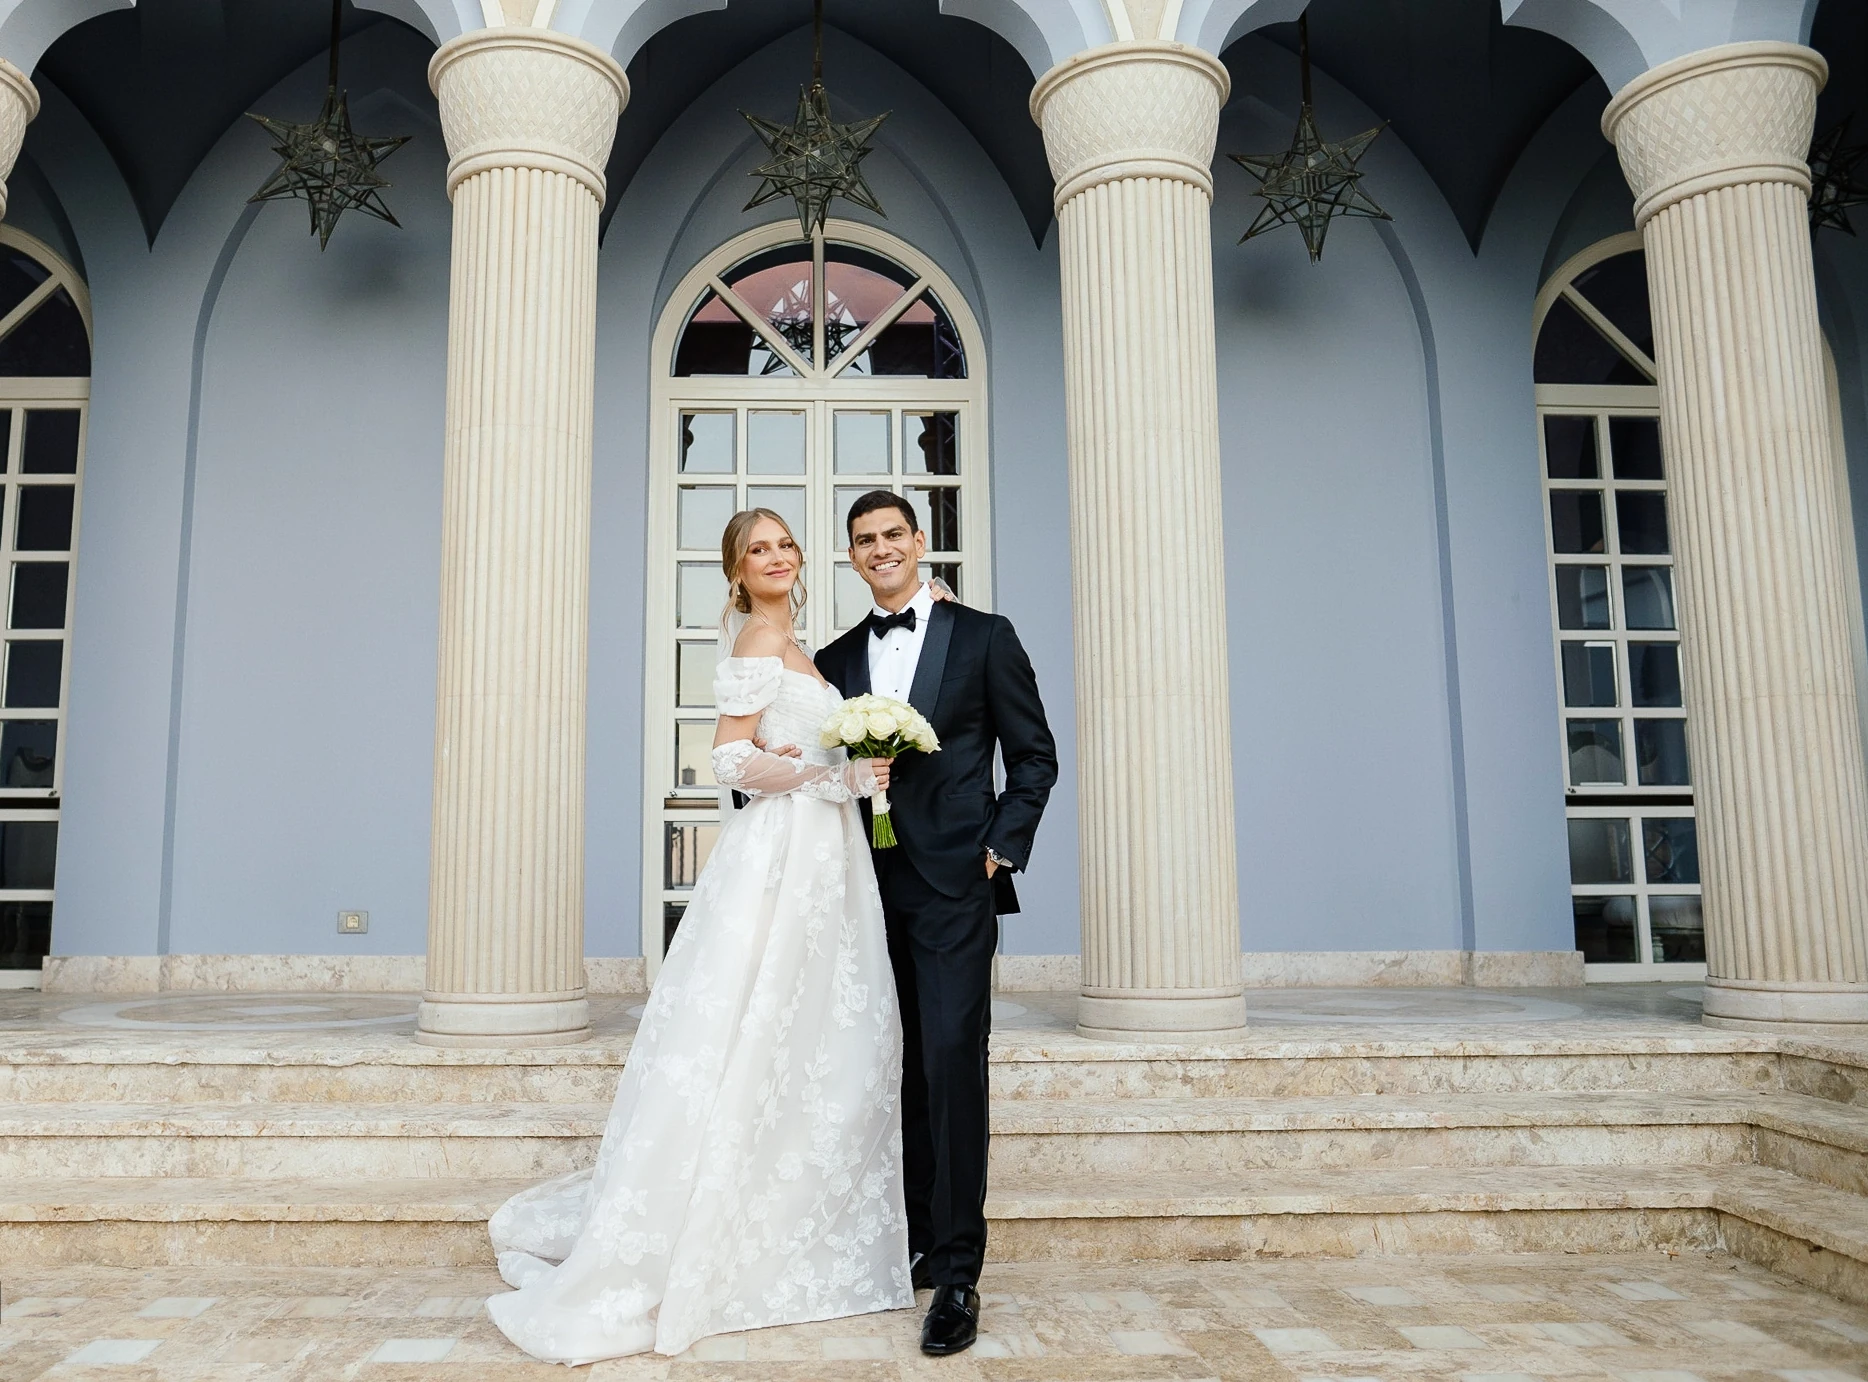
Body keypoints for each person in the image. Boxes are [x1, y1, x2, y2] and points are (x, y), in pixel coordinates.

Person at [484, 508, 911, 1365]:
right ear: (737, 570)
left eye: (786, 544)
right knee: (758, 1026)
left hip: (826, 862)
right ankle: (711, 1228)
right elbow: (729, 761)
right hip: (781, 854)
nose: (778, 557)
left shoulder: (806, 648)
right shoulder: (756, 640)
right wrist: (838, 779)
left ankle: (789, 1210)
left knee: (815, 1034)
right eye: (760, 549)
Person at [814, 490, 1057, 1357]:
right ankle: (913, 1237)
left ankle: (957, 1270)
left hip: (955, 886)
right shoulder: (835, 658)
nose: (880, 550)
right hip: (861, 886)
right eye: (864, 541)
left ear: (921, 543)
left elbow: (1034, 756)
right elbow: (805, 765)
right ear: (853, 558)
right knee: (892, 1061)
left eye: (892, 535)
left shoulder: (984, 635)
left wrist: (1001, 846)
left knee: (953, 1059)